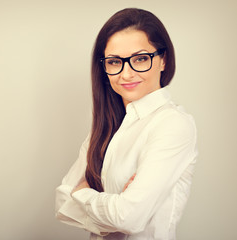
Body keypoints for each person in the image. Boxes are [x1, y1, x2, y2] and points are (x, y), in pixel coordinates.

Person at [55, 8, 198, 240]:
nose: (127, 74)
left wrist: (82, 193)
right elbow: (62, 200)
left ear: (163, 60)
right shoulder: (106, 127)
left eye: (140, 58)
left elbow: (129, 218)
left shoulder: (173, 124)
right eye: (114, 62)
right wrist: (112, 207)